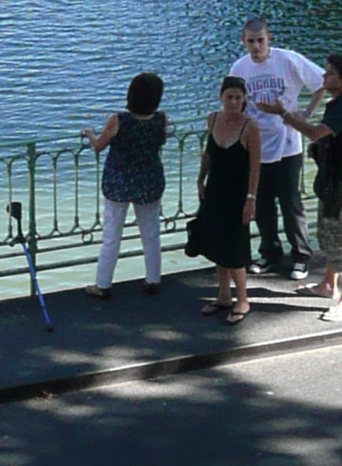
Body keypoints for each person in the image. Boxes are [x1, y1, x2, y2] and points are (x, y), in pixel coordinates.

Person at [231, 15, 324, 282]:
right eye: (251, 42)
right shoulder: (239, 68)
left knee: (290, 203)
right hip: (256, 147)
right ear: (243, 42)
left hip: (287, 145)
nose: (256, 47)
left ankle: (301, 256)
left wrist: (306, 113)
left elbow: (321, 83)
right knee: (261, 204)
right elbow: (233, 101)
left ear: (269, 39)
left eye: (260, 41)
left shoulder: (288, 60)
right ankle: (270, 253)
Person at [294, 55, 342, 324]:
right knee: (327, 234)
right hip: (332, 183)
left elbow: (315, 133)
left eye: (330, 74)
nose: (324, 77)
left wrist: (285, 116)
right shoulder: (339, 104)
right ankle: (328, 284)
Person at [83, 70, 169, 299]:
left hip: (118, 183)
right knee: (151, 233)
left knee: (112, 235)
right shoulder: (161, 118)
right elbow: (162, 140)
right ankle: (153, 279)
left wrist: (90, 134)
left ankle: (103, 284)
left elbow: (99, 146)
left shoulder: (119, 120)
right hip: (149, 181)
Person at [185, 74, 262, 320]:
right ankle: (223, 296)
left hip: (237, 194)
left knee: (235, 247)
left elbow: (255, 166)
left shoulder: (250, 127)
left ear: (244, 100)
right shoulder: (213, 119)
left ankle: (243, 299)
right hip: (215, 190)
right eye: (229, 97)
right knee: (217, 244)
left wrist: (251, 198)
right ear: (221, 97)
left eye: (238, 98)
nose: (233, 102)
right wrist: (200, 179)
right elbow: (208, 153)